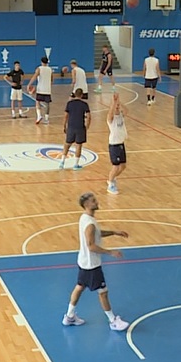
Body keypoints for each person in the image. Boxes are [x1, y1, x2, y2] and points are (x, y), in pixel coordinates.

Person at [62, 192, 130, 331]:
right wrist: (110, 252)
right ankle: (113, 321)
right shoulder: (90, 224)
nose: (96, 202)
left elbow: (97, 233)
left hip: (84, 261)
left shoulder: (85, 218)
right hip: (92, 265)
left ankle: (69, 316)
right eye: (93, 201)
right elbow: (91, 245)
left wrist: (114, 232)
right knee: (103, 291)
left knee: (80, 286)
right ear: (87, 204)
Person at [60, 88, 91, 170]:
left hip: (71, 126)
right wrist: (87, 126)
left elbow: (65, 116)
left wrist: (64, 125)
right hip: (80, 127)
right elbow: (89, 116)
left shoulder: (69, 103)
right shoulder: (84, 104)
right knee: (78, 146)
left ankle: (62, 162)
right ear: (82, 95)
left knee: (67, 144)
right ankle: (76, 164)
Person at [106, 92, 128, 195]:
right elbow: (110, 112)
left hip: (121, 144)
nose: (117, 108)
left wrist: (119, 102)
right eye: (116, 107)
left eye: (118, 107)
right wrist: (114, 103)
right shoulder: (111, 119)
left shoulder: (121, 116)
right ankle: (110, 184)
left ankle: (113, 178)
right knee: (115, 166)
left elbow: (127, 111)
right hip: (114, 145)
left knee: (123, 166)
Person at [26, 56, 53, 124]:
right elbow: (52, 80)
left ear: (41, 62)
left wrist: (29, 84)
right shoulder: (50, 69)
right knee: (47, 104)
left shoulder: (39, 69)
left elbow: (34, 77)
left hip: (40, 88)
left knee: (37, 102)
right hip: (47, 89)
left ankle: (39, 116)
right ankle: (46, 119)